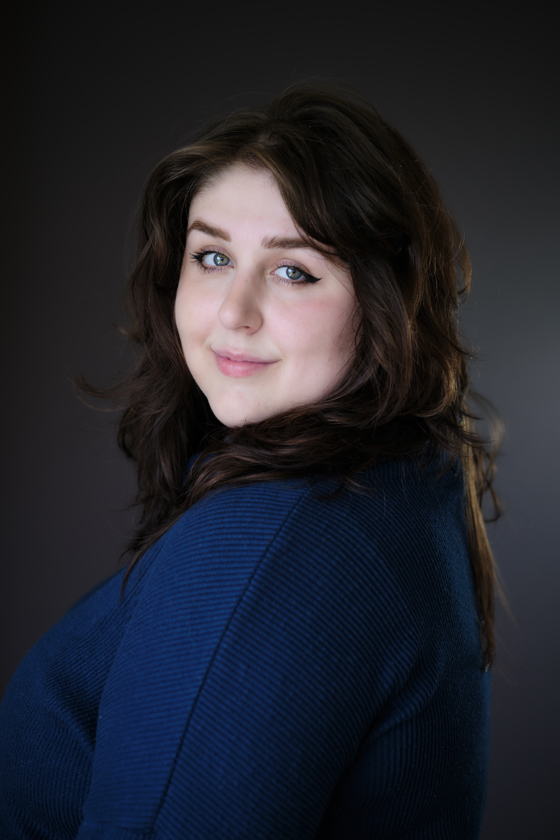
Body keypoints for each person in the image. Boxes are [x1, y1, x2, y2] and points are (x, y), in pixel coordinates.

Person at [0, 81, 501, 838]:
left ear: (385, 300)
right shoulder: (403, 480)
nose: (233, 312)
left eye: (293, 270)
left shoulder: (274, 547)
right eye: (211, 257)